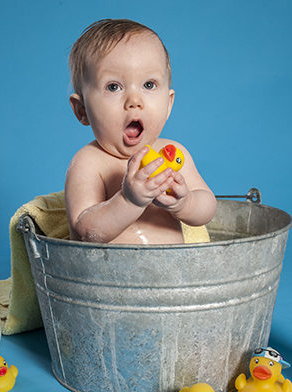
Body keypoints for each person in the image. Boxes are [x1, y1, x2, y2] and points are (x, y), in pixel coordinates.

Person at [65, 19, 216, 244]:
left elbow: (208, 208)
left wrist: (185, 204)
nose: (134, 101)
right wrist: (128, 201)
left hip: (176, 274)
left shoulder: (172, 153)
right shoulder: (89, 163)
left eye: (149, 85)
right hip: (107, 276)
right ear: (82, 110)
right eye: (113, 87)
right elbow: (86, 232)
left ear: (168, 104)